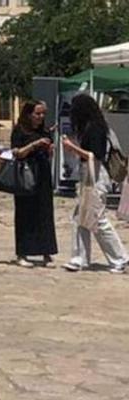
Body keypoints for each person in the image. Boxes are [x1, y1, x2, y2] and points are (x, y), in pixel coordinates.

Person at [61, 94, 127, 273]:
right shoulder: (92, 127)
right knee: (80, 218)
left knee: (98, 218)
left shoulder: (96, 128)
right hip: (89, 177)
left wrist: (72, 147)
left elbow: (95, 155)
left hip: (97, 178)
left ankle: (120, 258)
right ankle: (79, 258)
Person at [10, 101, 58, 266]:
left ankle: (46, 250)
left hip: (43, 175)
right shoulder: (20, 130)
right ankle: (23, 252)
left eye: (43, 114)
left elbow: (49, 154)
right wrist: (34, 145)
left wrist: (50, 149)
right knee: (25, 213)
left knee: (44, 212)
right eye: (37, 114)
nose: (41, 117)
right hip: (26, 174)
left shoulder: (44, 131)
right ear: (29, 114)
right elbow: (17, 153)